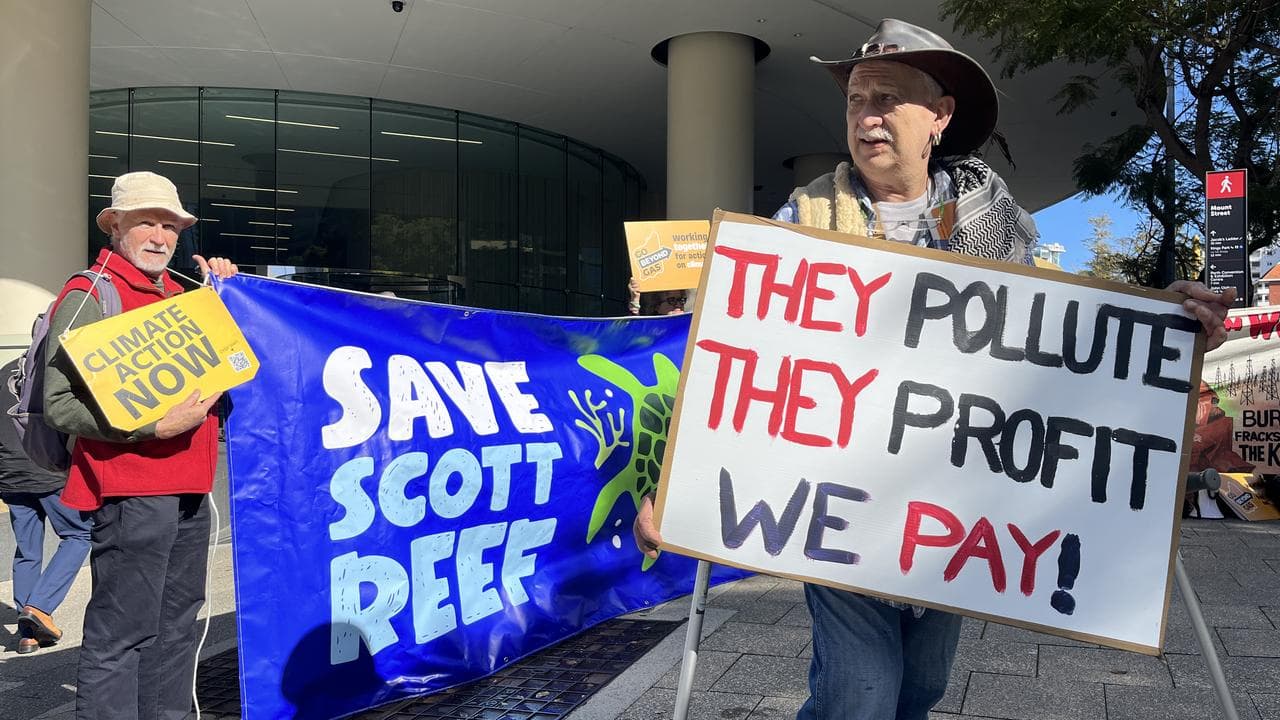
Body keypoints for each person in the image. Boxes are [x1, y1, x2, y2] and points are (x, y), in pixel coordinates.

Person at [632, 18, 1233, 720]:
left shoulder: (994, 222)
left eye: (887, 98)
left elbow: (1063, 344)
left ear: (940, 116)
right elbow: (736, 362)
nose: (867, 115)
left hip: (956, 509)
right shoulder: (798, 223)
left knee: (920, 689)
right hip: (834, 504)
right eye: (857, 99)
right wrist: (680, 483)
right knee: (860, 693)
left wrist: (1165, 322)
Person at [42, 171, 238, 719]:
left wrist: (230, 293)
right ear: (115, 227)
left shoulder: (181, 296)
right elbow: (58, 406)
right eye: (145, 222)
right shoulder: (88, 295)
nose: (159, 235)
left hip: (191, 492)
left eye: (170, 225)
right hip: (132, 492)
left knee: (177, 628)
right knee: (122, 635)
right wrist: (148, 429)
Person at [1, 357, 92, 655]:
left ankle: (27, 633)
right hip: (46, 468)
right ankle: (39, 608)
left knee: (27, 550)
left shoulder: (6, 370)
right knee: (78, 534)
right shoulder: (57, 367)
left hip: (10, 474)